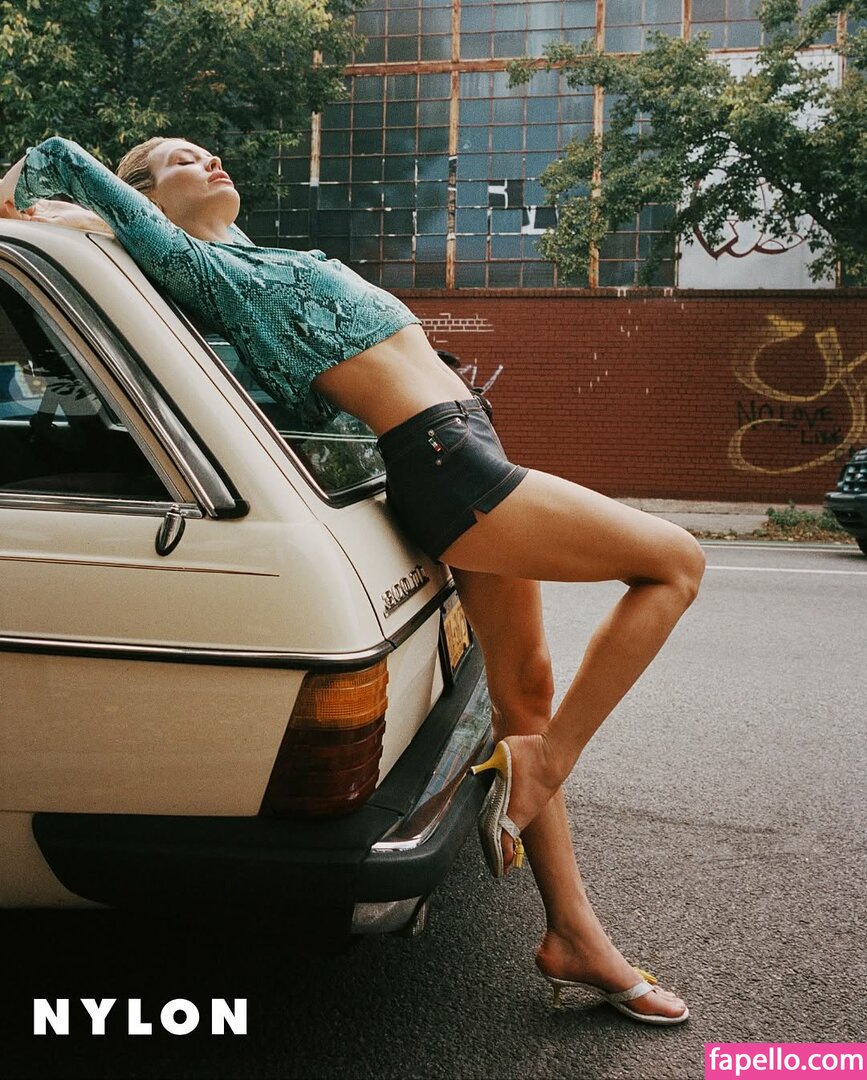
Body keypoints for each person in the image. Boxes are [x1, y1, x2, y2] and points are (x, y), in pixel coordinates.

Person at [1, 137, 704, 1024]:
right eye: (180, 159)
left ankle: (573, 935)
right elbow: (55, 155)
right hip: (444, 461)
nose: (210, 161)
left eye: (211, 153)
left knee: (525, 691)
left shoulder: (257, 258)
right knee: (675, 562)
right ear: (143, 198)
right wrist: (29, 205)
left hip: (466, 444)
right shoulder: (200, 275)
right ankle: (544, 763)